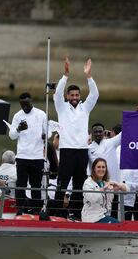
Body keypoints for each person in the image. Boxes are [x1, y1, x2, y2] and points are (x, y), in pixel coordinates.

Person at [53, 57, 99, 219]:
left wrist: (89, 76)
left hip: (82, 151)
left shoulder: (85, 108)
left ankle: (76, 213)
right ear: (67, 95)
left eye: (77, 94)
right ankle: (58, 213)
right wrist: (65, 75)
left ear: (80, 96)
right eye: (71, 94)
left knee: (80, 185)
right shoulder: (61, 107)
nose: (74, 97)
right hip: (66, 151)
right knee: (62, 183)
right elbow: (57, 93)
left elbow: (95, 94)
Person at [9, 92, 47, 215]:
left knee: (36, 185)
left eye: (27, 104)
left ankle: (35, 210)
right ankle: (20, 209)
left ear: (31, 101)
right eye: (22, 105)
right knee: (21, 184)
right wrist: (19, 129)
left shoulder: (41, 114)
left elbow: (49, 132)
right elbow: (12, 136)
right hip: (22, 156)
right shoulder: (17, 116)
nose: (25, 107)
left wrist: (45, 135)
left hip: (37, 156)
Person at [88, 122, 122, 218]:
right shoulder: (88, 148)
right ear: (92, 133)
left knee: (113, 212)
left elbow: (124, 133)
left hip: (113, 184)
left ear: (104, 132)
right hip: (98, 186)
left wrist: (136, 115)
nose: (98, 134)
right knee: (99, 212)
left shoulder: (111, 142)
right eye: (96, 132)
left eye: (100, 131)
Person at [82, 158, 126, 223]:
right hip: (92, 218)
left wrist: (119, 186)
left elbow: (126, 190)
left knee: (119, 225)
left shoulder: (106, 182)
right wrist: (103, 188)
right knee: (118, 225)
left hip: (105, 216)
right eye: (98, 167)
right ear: (94, 169)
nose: (101, 169)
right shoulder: (88, 182)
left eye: (103, 167)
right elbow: (92, 198)